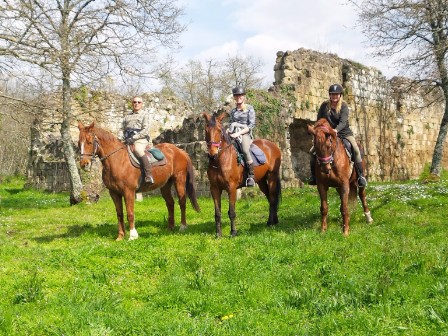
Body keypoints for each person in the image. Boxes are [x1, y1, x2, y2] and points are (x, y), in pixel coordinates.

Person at [309, 83, 368, 187]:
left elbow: (343, 122)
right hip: (327, 135)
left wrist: (336, 130)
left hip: (343, 133)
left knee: (356, 149)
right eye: (332, 94)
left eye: (336, 94)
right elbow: (319, 120)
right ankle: (313, 176)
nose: (334, 97)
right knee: (312, 151)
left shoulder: (344, 106)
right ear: (329, 95)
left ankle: (360, 177)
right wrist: (317, 131)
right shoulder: (324, 106)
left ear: (340, 95)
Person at [120, 95, 154, 184]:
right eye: (134, 102)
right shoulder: (127, 116)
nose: (136, 104)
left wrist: (133, 138)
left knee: (138, 150)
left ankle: (148, 175)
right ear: (132, 103)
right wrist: (120, 138)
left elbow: (145, 130)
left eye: (139, 102)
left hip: (141, 139)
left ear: (142, 104)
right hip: (127, 139)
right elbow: (121, 129)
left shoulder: (145, 115)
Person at [228, 86, 256, 187]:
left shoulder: (249, 108)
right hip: (234, 133)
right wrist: (228, 130)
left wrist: (238, 133)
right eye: (236, 95)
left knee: (245, 149)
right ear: (234, 97)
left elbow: (251, 125)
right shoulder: (233, 111)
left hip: (245, 133)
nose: (238, 97)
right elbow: (230, 123)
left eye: (240, 95)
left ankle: (251, 176)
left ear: (243, 96)